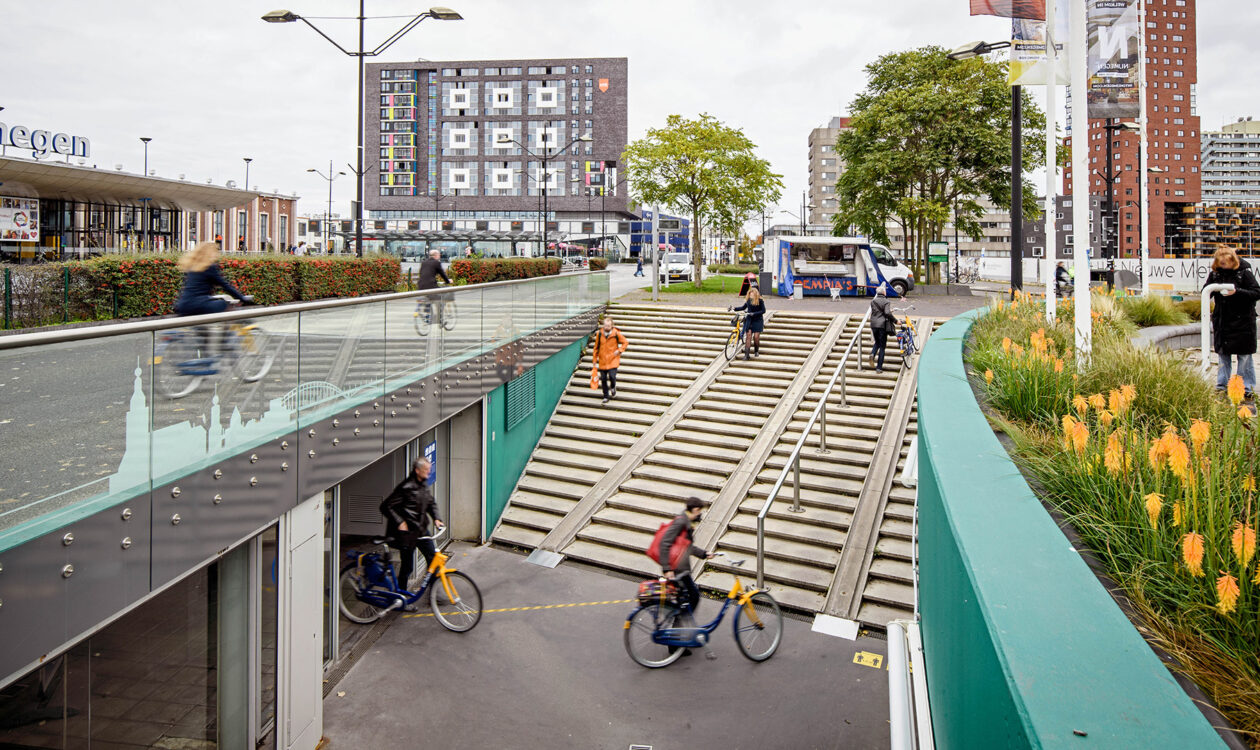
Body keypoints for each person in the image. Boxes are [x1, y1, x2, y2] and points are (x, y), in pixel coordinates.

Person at [656, 497, 716, 658]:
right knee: (690, 599)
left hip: (682, 570)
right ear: (695, 510)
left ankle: (681, 634)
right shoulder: (680, 523)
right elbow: (664, 543)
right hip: (677, 570)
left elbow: (687, 547)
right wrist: (666, 569)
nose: (700, 515)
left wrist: (704, 554)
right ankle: (674, 641)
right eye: (700, 512)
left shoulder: (685, 523)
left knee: (690, 599)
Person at [379, 457, 445, 595]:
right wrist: (400, 522)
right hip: (408, 534)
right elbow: (386, 506)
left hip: (421, 530)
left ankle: (434, 593)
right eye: (426, 469)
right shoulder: (406, 487)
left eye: (429, 469)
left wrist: (436, 518)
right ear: (417, 471)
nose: (429, 471)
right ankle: (401, 595)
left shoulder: (423, 485)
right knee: (407, 566)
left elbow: (430, 503)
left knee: (432, 558)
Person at [1204, 247, 1259, 398]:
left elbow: (1256, 292)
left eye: (1226, 262)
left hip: (1243, 322)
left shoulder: (1244, 273)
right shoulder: (1215, 275)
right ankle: (1222, 386)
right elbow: (1206, 291)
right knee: (1223, 355)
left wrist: (1237, 292)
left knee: (1244, 357)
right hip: (1223, 321)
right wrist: (1213, 289)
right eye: (1220, 263)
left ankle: (1245, 388)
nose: (1223, 265)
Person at [174, 242, 251, 316]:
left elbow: (185, 288)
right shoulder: (209, 267)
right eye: (215, 251)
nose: (217, 254)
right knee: (224, 304)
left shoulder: (192, 267)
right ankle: (230, 329)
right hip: (198, 305)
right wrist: (242, 298)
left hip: (183, 305)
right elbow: (225, 285)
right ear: (210, 253)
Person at [593, 315, 629, 404]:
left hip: (613, 360)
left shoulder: (616, 333)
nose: (606, 327)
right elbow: (596, 348)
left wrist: (619, 350)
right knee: (604, 379)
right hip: (602, 360)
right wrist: (594, 360)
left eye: (608, 326)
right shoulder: (599, 334)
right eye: (605, 325)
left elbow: (625, 342)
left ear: (612, 326)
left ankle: (613, 387)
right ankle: (606, 396)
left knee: (612, 377)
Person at [729, 287, 766, 360]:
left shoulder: (760, 301)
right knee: (748, 336)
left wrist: (754, 313)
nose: (751, 296)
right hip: (749, 320)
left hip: (758, 320)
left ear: (756, 295)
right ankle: (746, 355)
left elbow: (763, 311)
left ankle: (756, 351)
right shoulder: (748, 301)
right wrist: (734, 308)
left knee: (756, 337)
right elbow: (742, 307)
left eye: (752, 295)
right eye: (750, 295)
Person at [869, 283, 895, 373]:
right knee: (883, 346)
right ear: (884, 292)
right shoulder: (886, 301)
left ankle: (872, 353)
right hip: (882, 325)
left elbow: (877, 312)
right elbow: (887, 313)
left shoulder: (873, 301)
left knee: (877, 342)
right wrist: (895, 321)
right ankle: (879, 367)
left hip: (873, 324)